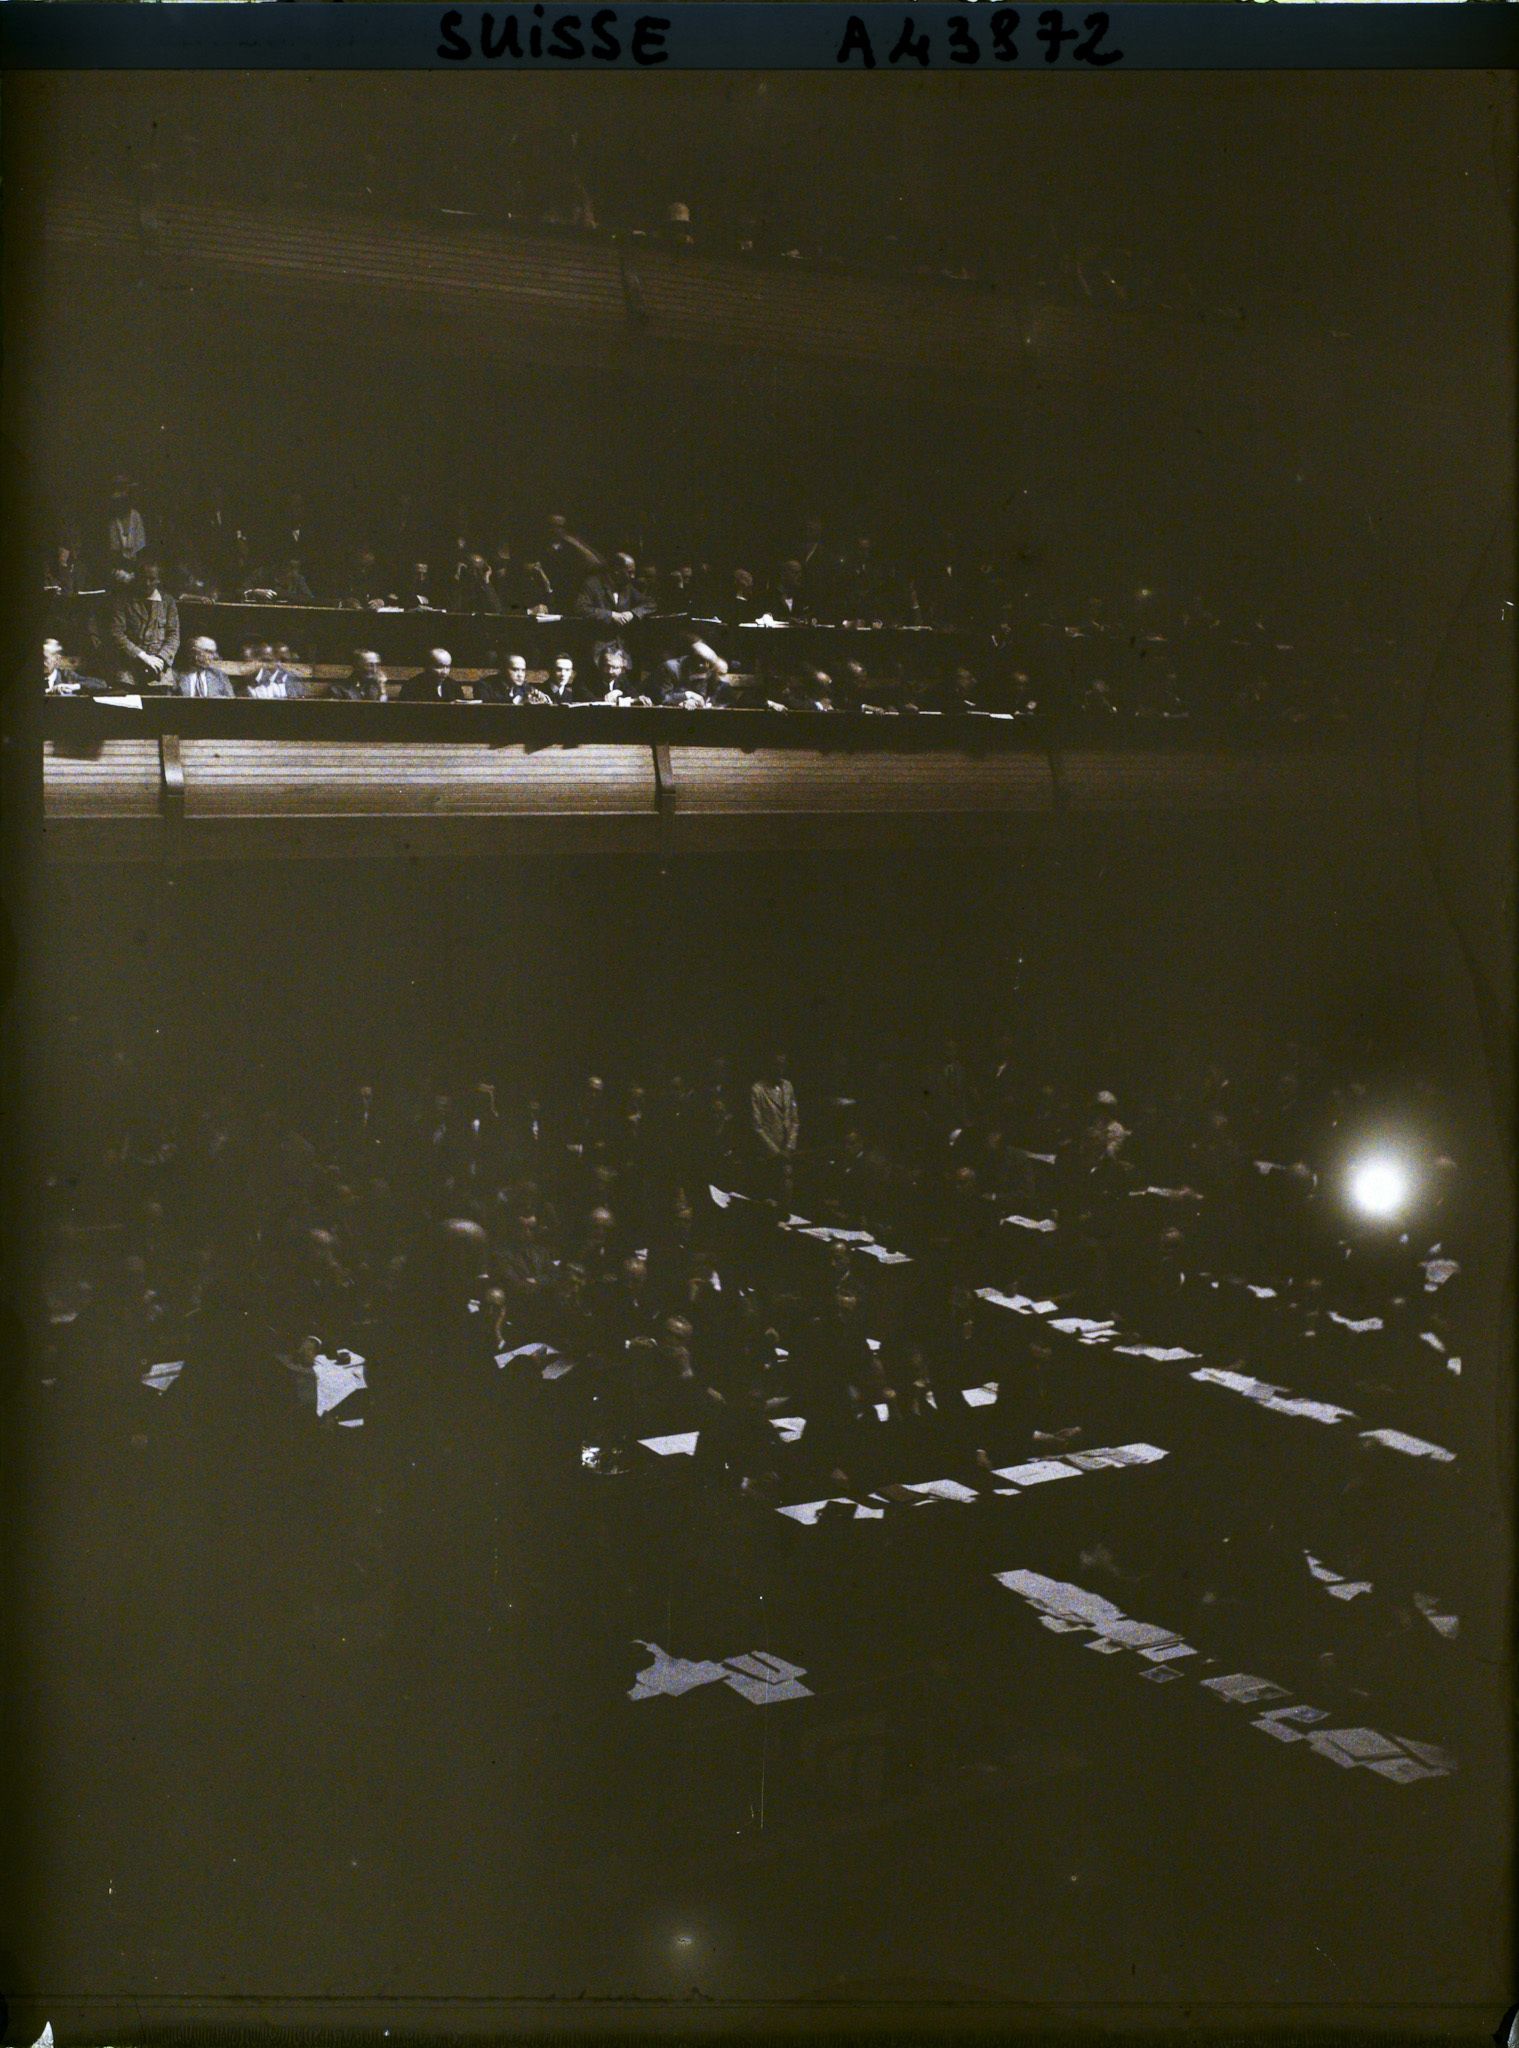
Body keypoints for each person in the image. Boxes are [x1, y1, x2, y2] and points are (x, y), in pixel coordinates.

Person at [108, 558, 179, 690]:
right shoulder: (123, 600)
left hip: (159, 666)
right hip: (129, 665)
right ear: (136, 578)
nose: (147, 583)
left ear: (159, 580)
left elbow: (173, 636)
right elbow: (116, 633)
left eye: (152, 579)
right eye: (143, 578)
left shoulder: (168, 602)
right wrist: (143, 657)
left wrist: (160, 659)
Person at [750, 1054, 799, 1199]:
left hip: (787, 1153)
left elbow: (794, 1120)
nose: (780, 1069)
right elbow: (757, 1126)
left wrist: (790, 1146)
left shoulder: (788, 1086)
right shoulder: (758, 1090)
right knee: (769, 1195)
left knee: (787, 1192)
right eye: (776, 1065)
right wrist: (776, 1152)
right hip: (768, 1155)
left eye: (783, 1065)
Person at [575, 550, 654, 628]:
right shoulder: (592, 584)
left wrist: (632, 614)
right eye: (629, 572)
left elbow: (650, 603)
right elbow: (581, 608)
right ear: (616, 571)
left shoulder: (627, 587)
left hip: (623, 639)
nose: (633, 576)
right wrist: (611, 615)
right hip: (600, 638)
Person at [656, 637, 730, 708]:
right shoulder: (669, 668)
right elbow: (662, 698)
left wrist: (693, 701)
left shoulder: (706, 670)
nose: (706, 667)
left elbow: (700, 695)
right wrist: (688, 695)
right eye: (702, 661)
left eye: (709, 664)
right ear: (692, 659)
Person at [105, 474, 148, 568]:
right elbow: (114, 547)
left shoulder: (136, 516)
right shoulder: (113, 521)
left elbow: (140, 544)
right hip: (119, 565)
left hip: (136, 564)